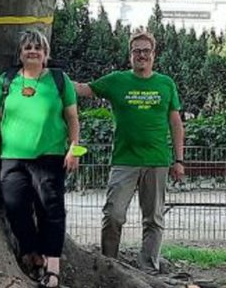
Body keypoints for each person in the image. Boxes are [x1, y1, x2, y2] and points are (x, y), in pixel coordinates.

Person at [0, 29, 80, 288]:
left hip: (49, 155)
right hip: (12, 157)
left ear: (45, 54)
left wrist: (74, 148)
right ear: (20, 53)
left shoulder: (58, 79)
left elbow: (72, 117)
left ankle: (53, 268)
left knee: (50, 211)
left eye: (38, 48)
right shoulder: (7, 80)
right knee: (15, 208)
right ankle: (32, 253)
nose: (32, 51)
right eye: (28, 47)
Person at [76, 29, 185, 271]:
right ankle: (109, 266)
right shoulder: (116, 81)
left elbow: (176, 123)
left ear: (154, 54)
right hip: (124, 160)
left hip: (157, 161)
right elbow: (83, 89)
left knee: (154, 219)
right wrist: (48, 77)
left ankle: (148, 268)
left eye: (146, 51)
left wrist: (179, 160)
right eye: (137, 51)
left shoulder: (166, 84)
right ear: (130, 55)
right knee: (113, 214)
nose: (142, 55)